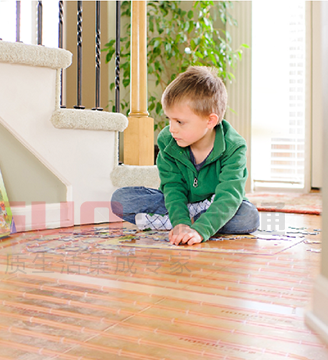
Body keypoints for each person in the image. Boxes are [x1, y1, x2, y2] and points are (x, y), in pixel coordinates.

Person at [111, 66, 259, 245]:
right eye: (169, 119)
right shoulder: (168, 140)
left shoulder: (234, 146)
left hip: (216, 202)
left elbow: (229, 195)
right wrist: (181, 223)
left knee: (249, 217)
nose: (172, 128)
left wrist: (201, 230)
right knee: (121, 199)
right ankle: (184, 220)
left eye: (180, 122)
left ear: (210, 120)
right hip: (179, 203)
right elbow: (172, 188)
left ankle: (182, 222)